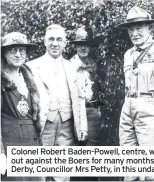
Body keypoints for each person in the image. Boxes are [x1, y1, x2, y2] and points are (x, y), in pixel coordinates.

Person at [116, 6, 154, 181]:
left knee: (149, 168)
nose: (135, 33)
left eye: (139, 28)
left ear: (149, 28)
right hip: (128, 107)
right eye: (131, 29)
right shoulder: (128, 54)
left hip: (150, 106)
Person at [26, 24, 88, 181]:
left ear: (65, 43)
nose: (55, 43)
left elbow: (80, 99)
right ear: (44, 42)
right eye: (51, 39)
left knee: (62, 173)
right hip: (43, 125)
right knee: (40, 171)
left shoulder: (72, 67)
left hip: (66, 126)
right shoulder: (32, 66)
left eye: (59, 40)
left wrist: (82, 127)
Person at [1, 32, 41, 181]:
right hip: (11, 145)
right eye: (13, 50)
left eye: (22, 50)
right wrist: (1, 153)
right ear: (4, 53)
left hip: (32, 145)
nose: (18, 54)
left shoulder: (28, 78)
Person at [70, 26, 102, 147]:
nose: (83, 48)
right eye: (80, 44)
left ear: (91, 46)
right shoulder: (69, 66)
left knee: (91, 147)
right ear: (75, 46)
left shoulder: (95, 65)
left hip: (91, 112)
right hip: (75, 111)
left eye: (86, 44)